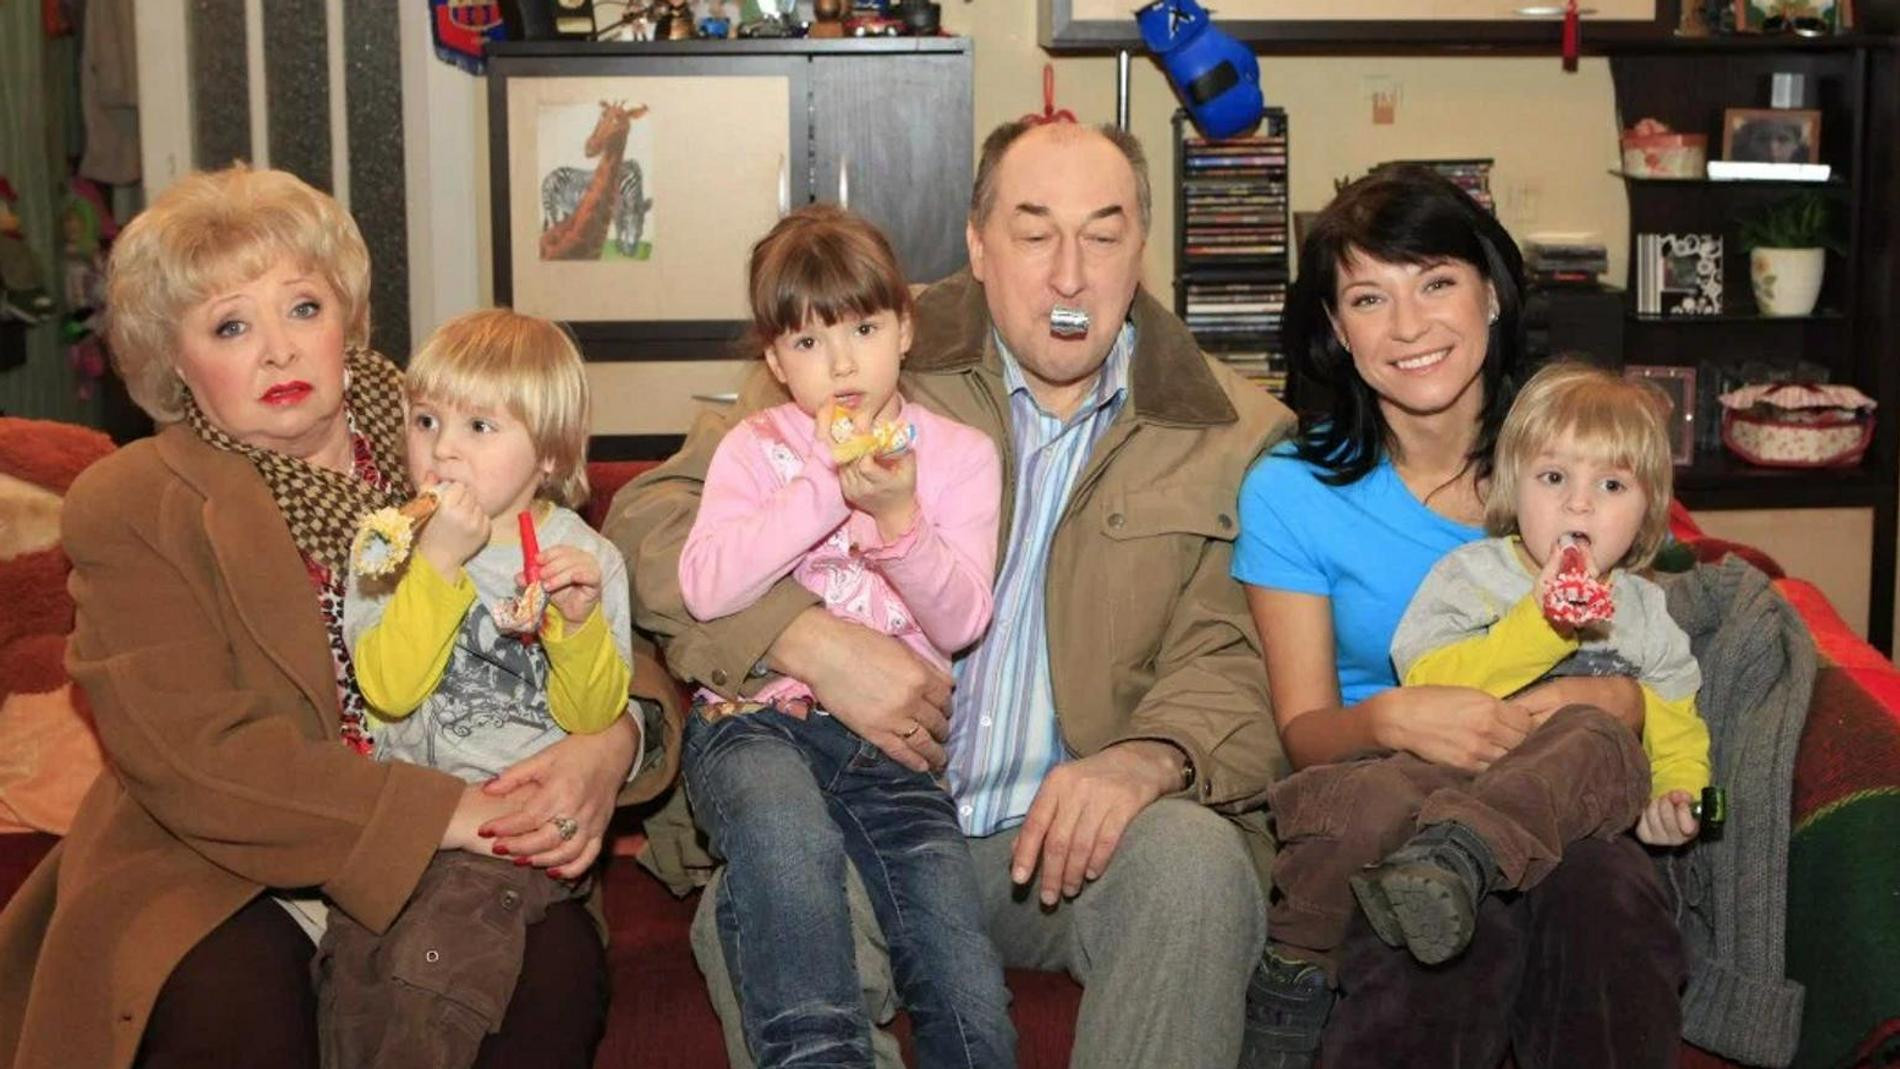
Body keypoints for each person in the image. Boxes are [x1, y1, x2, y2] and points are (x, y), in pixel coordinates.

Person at [610, 119, 1294, 1069]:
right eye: (1034, 233)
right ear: (977, 246)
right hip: (856, 808)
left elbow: (1242, 653)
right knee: (766, 895)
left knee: (1197, 866)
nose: (1069, 275)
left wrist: (1150, 755)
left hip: (1073, 847)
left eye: (1102, 236)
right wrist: (804, 640)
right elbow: (653, 519)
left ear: (1140, 248)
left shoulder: (1238, 431)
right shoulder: (865, 338)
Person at [0, 165, 678, 1069]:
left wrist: (614, 742)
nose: (278, 351)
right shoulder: (134, 502)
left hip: (482, 855)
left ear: (346, 317)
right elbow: (193, 757)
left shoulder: (453, 431)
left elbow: (597, 603)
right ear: (175, 361)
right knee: (233, 1009)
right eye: (231, 325)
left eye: (302, 308)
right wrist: (443, 812)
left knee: (541, 979)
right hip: (222, 864)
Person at [1235, 164, 1688, 1069]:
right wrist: (1387, 717)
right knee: (1434, 920)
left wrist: (1627, 705)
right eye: (1369, 298)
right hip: (1392, 795)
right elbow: (1305, 731)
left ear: (1491, 293)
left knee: (1602, 889)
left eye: (1436, 282)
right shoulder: (1291, 489)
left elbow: (1645, 628)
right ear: (1337, 329)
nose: (1408, 326)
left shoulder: (1571, 461)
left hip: (1560, 796)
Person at [675, 204, 1012, 1068]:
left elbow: (963, 619)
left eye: (863, 328)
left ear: (905, 328)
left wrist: (899, 519)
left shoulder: (961, 455)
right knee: (789, 847)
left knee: (964, 986)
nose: (841, 362)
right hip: (756, 721)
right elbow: (705, 585)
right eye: (808, 341)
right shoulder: (753, 448)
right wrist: (827, 484)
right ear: (775, 361)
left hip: (896, 752)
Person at [1260, 359, 1708, 987]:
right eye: (1554, 477)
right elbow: (1425, 679)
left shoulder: (1644, 613)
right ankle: (1296, 961)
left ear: (1647, 510)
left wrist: (1678, 790)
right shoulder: (1471, 576)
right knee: (1372, 792)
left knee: (1594, 732)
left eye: (1612, 485)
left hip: (1570, 809)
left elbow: (1677, 717)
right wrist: (1539, 626)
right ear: (1511, 489)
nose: (1579, 502)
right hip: (1450, 777)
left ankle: (1465, 854)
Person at [319, 309, 638, 1067]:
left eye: (480, 426)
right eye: (426, 420)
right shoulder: (386, 542)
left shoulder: (586, 559)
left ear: (550, 452)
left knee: (435, 987)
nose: (444, 448)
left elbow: (594, 716)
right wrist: (436, 563)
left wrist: (577, 627)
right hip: (406, 828)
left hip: (514, 840)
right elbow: (387, 690)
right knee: (353, 988)